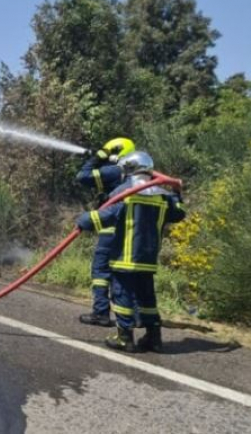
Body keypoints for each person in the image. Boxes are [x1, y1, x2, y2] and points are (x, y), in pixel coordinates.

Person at [76, 151, 185, 353]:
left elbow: (101, 217)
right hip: (148, 259)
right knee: (147, 299)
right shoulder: (163, 195)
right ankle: (154, 337)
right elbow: (179, 213)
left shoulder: (125, 194)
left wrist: (83, 220)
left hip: (125, 257)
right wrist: (178, 192)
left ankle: (124, 337)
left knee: (122, 295)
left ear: (127, 171)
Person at [74, 137, 135, 327]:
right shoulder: (136, 176)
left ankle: (101, 312)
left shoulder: (116, 171)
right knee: (121, 272)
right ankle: (131, 316)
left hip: (111, 227)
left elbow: (82, 177)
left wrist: (97, 157)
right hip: (131, 230)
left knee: (101, 270)